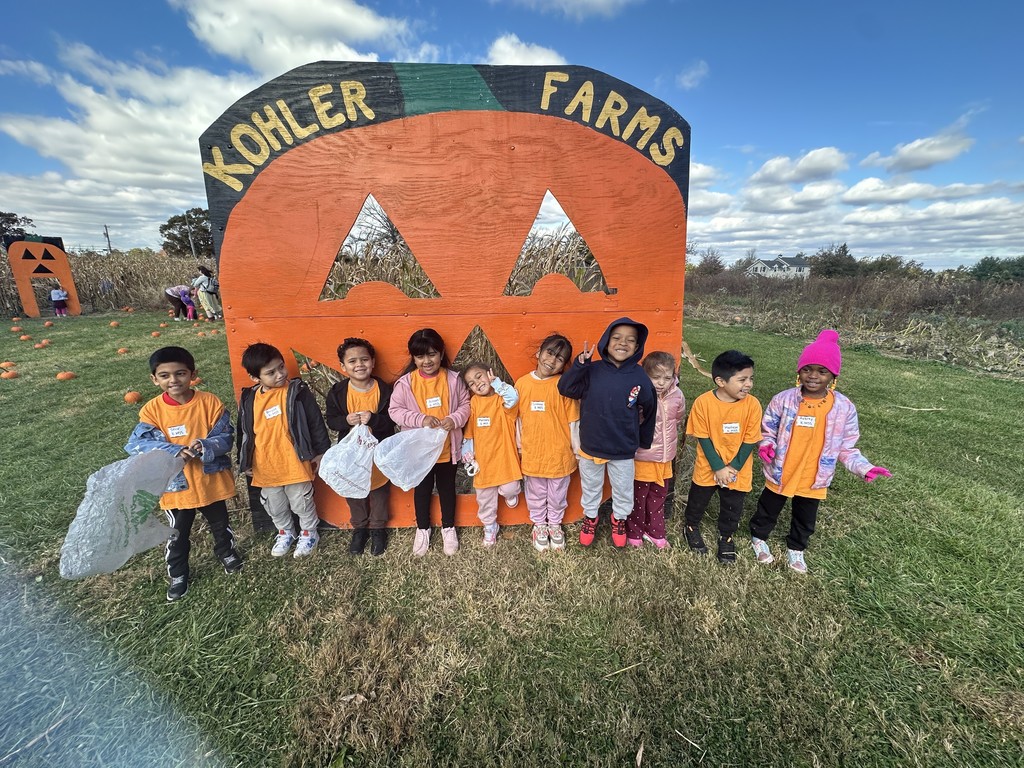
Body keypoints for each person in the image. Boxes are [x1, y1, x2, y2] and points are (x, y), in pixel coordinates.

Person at [751, 329, 892, 574]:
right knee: (768, 507)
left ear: (833, 376)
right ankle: (758, 538)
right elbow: (767, 429)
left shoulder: (844, 408)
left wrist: (864, 468)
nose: (813, 376)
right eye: (807, 369)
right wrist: (766, 446)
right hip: (783, 470)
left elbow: (847, 447)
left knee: (806, 516)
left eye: (822, 371)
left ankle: (796, 548)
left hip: (814, 476)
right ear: (799, 371)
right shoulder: (783, 400)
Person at [125, 346, 240, 602]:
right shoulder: (151, 411)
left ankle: (226, 552)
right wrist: (174, 451)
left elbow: (225, 437)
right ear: (154, 379)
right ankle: (178, 573)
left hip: (210, 481)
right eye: (164, 376)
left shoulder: (210, 403)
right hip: (177, 487)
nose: (173, 380)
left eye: (180, 373)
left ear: (192, 374)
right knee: (177, 534)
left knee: (220, 525)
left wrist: (205, 445)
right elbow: (138, 445)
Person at [557, 318, 656, 548]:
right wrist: (580, 365)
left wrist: (644, 439)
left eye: (631, 340)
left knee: (623, 489)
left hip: (623, 449)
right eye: (617, 338)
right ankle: (590, 517)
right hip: (591, 445)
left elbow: (650, 408)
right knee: (591, 486)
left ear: (638, 346)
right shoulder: (592, 370)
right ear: (606, 341)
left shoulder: (639, 376)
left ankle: (618, 519)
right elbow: (565, 388)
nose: (623, 343)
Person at [236, 343, 331, 559]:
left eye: (281, 367)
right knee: (274, 504)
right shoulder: (249, 398)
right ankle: (285, 531)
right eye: (271, 372)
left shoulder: (297, 392)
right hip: (265, 465)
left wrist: (321, 451)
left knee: (301, 501)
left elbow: (315, 422)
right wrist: (245, 461)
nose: (280, 374)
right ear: (254, 378)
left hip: (294, 461)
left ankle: (309, 532)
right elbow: (244, 433)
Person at [388, 328, 470, 556]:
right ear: (413, 358)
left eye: (432, 354)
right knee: (422, 490)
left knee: (446, 489)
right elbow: (395, 411)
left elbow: (466, 405)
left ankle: (448, 528)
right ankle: (422, 528)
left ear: (441, 353)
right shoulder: (405, 384)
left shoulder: (453, 379)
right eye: (420, 356)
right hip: (419, 452)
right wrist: (420, 419)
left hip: (447, 450)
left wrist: (454, 419)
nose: (427, 361)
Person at [683, 350, 762, 564]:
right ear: (720, 381)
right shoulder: (703, 403)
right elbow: (703, 437)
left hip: (738, 469)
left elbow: (750, 439)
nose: (749, 384)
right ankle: (691, 526)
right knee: (698, 501)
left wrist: (733, 468)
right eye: (742, 380)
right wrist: (718, 468)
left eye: (751, 379)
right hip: (709, 466)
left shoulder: (753, 405)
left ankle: (726, 536)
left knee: (732, 506)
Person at [324, 337, 395, 556]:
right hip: (351, 455)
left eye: (364, 359)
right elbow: (331, 420)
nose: (359, 365)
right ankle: (359, 528)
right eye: (352, 361)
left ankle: (377, 528)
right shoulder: (337, 392)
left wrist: (373, 419)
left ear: (373, 362)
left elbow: (392, 419)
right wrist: (346, 421)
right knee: (354, 490)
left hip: (377, 453)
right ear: (343, 366)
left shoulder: (384, 390)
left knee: (379, 490)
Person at [515, 333, 579, 552]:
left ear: (564, 365)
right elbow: (518, 420)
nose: (551, 361)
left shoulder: (564, 385)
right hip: (533, 453)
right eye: (549, 353)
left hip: (560, 454)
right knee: (535, 493)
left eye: (559, 358)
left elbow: (573, 421)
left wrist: (576, 449)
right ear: (539, 352)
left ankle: (554, 524)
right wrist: (519, 447)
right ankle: (539, 526)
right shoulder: (522, 384)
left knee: (558, 494)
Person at [627, 351, 686, 549]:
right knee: (639, 498)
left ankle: (655, 531)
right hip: (643, 456)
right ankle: (635, 531)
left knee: (659, 495)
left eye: (667, 378)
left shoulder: (677, 395)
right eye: (656, 378)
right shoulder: (639, 394)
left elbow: (678, 417)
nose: (661, 383)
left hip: (665, 457)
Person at [461, 363, 521, 548]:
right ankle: (489, 526)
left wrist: (498, 384)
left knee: (510, 488)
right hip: (484, 462)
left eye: (479, 377)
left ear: (489, 374)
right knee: (484, 498)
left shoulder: (501, 400)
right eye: (471, 383)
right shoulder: (474, 403)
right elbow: (469, 433)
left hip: (505, 458)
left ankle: (509, 495)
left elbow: (514, 398)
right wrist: (467, 453)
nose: (477, 383)